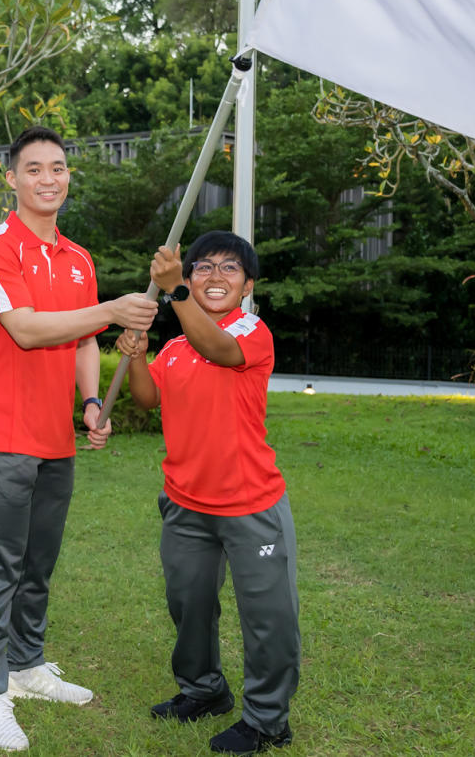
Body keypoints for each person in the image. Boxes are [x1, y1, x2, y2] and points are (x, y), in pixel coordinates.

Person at [0, 126, 158, 752]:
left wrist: (93, 402)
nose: (49, 179)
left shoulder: (78, 259)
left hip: (54, 439)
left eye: (59, 168)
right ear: (12, 179)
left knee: (38, 565)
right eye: (35, 169)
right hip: (0, 434)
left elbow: (80, 344)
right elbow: (23, 328)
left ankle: (26, 667)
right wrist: (110, 310)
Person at [115, 232, 300, 756]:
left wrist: (175, 294)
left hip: (250, 505)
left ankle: (267, 720)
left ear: (248, 285)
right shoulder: (176, 347)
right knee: (189, 605)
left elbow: (216, 348)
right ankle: (203, 690)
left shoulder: (250, 331)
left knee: (268, 619)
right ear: (189, 274)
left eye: (229, 268)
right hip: (185, 504)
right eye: (202, 267)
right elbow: (148, 398)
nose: (215, 276)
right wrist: (135, 355)